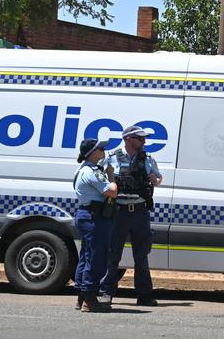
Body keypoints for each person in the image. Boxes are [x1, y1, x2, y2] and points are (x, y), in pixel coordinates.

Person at [102, 125, 163, 307]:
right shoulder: (112, 158)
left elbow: (158, 178)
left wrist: (156, 180)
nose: (144, 141)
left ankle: (144, 295)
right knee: (112, 255)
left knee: (141, 256)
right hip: (118, 212)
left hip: (139, 212)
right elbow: (101, 179)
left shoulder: (148, 159)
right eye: (140, 138)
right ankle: (106, 293)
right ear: (129, 139)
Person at [74, 137, 119, 313]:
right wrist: (111, 174)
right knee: (96, 257)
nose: (103, 151)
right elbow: (112, 191)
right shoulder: (93, 172)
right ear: (93, 153)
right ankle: (89, 299)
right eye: (100, 149)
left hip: (89, 214)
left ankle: (82, 295)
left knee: (86, 255)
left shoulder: (84, 169)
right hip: (95, 218)